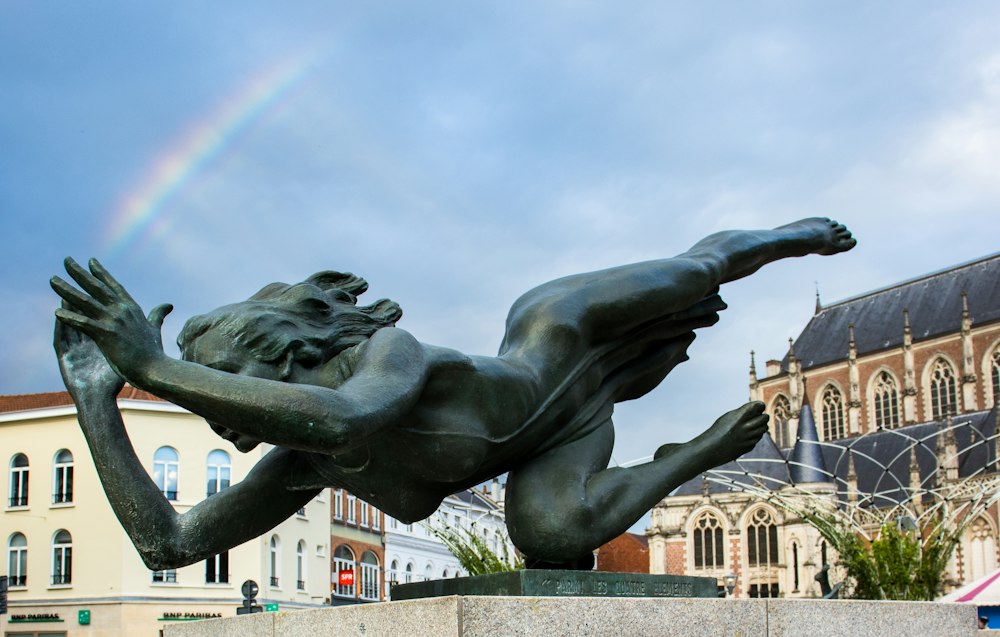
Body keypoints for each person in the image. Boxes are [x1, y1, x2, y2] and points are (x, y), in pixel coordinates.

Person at [52, 218, 855, 569]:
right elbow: (170, 546)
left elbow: (350, 416)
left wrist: (152, 369)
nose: (222, 420)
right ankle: (693, 455)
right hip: (560, 443)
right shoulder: (311, 462)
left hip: (556, 337)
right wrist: (98, 399)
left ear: (285, 358)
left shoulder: (385, 357)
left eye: (226, 396)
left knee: (692, 271)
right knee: (550, 531)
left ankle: (782, 237)